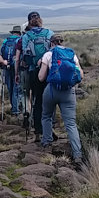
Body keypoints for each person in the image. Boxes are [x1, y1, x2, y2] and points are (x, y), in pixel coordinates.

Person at [38, 35, 84, 166]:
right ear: (62, 42)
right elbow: (81, 74)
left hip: (52, 90)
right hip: (68, 91)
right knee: (70, 123)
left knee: (46, 116)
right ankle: (77, 154)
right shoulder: (71, 54)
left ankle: (47, 144)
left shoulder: (48, 54)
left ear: (51, 43)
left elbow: (41, 77)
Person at [21, 11, 54, 142]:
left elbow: (24, 56)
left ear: (29, 22)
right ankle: (49, 129)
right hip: (49, 71)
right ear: (40, 20)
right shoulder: (49, 33)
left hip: (33, 71)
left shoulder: (26, 36)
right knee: (50, 100)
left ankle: (38, 132)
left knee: (37, 101)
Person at [1, 26, 22, 116]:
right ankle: (16, 109)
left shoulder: (6, 41)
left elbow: (1, 53)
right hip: (17, 67)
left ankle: (13, 106)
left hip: (7, 66)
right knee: (16, 88)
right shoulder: (20, 40)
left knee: (10, 88)